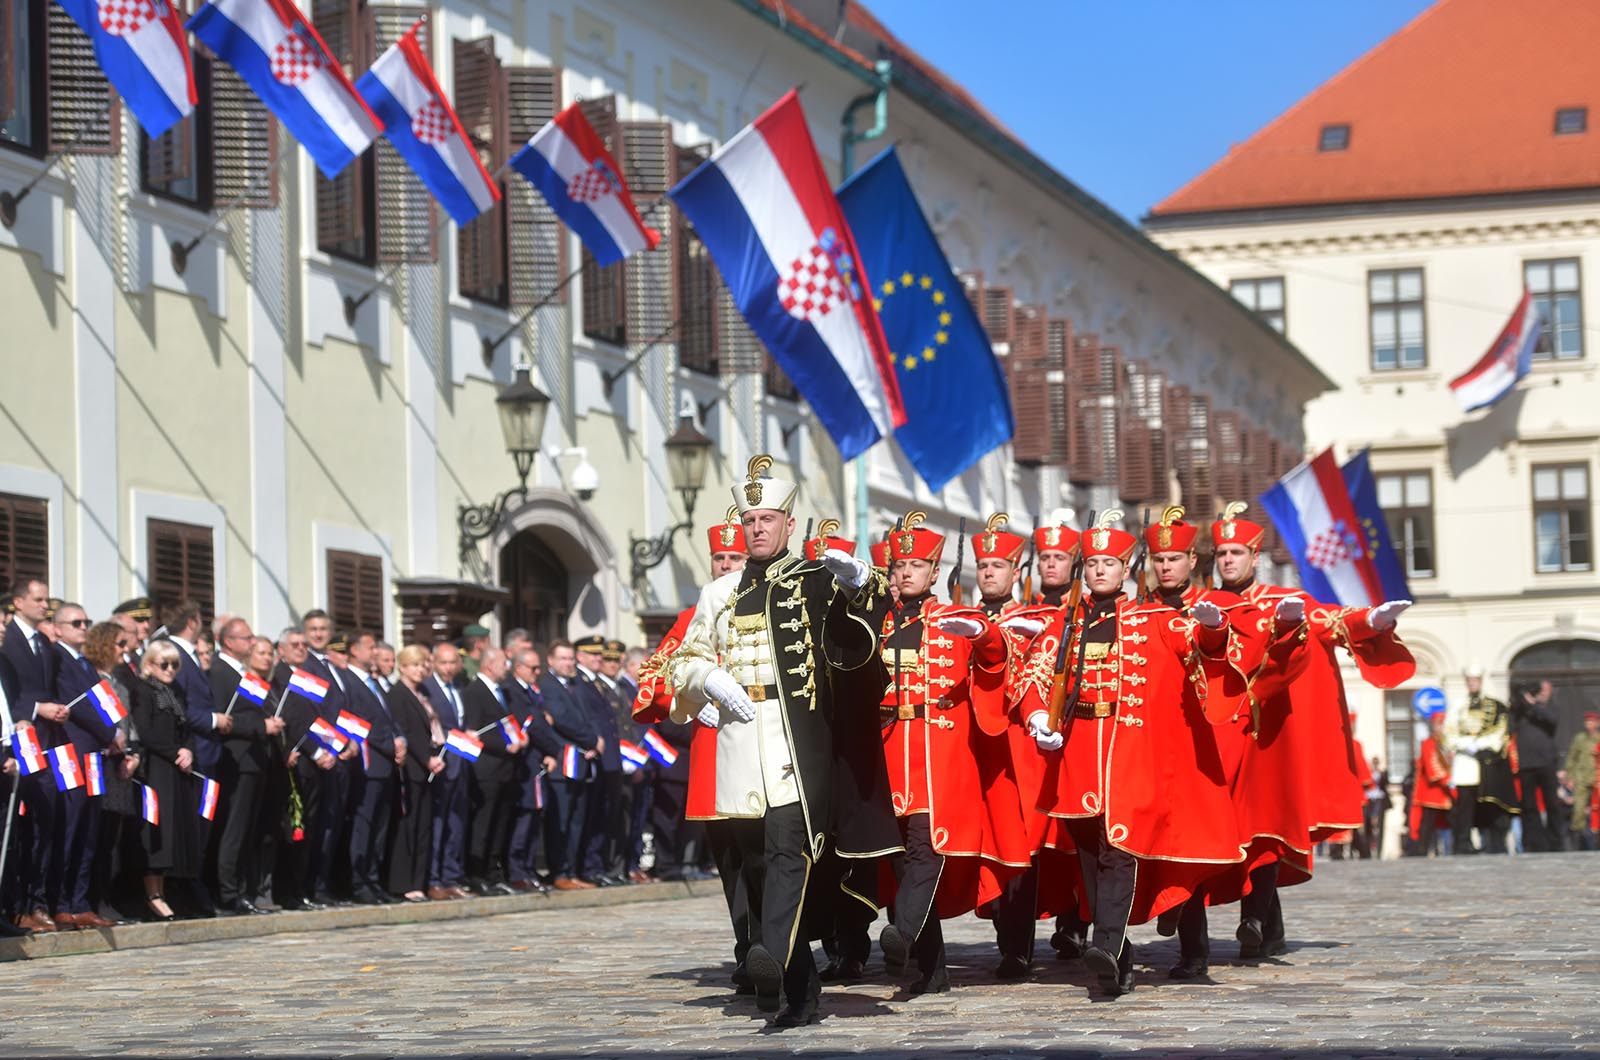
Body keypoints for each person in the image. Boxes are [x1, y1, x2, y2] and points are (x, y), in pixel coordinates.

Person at [668, 455, 886, 1026]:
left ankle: (769, 952)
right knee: (758, 865)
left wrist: (860, 584)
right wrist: (707, 679)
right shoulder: (718, 593)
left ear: (789, 524)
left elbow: (863, 630)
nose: (757, 528)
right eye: (749, 520)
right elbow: (681, 661)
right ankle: (799, 990)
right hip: (739, 744)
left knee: (791, 853)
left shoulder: (813, 581)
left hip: (794, 744)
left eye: (767, 519)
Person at [1021, 510, 1245, 997]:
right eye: (1092, 563)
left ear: (1126, 569)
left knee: (1117, 849)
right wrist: (1037, 716)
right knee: (1089, 857)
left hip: (1131, 756)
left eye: (1109, 563)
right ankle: (1116, 958)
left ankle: (1106, 945)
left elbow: (1197, 649)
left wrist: (1213, 630)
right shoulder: (1064, 621)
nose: (1100, 570)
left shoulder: (1156, 619)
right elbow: (1034, 675)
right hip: (1078, 754)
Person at [1208, 502, 1413, 960]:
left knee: (1264, 828)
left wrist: (1370, 621)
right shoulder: (1206, 606)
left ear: (1254, 556)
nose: (1228, 560)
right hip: (1220, 731)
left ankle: (1253, 918)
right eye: (1221, 553)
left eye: (1236, 552)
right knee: (1229, 831)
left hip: (1269, 738)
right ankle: (1267, 927)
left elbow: (1328, 621)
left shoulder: (1284, 600)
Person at [870, 512, 1028, 995]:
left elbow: (999, 655)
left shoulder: (956, 619)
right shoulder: (879, 622)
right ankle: (931, 968)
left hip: (940, 756)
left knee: (928, 848)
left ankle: (902, 932)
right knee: (900, 859)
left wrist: (982, 636)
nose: (906, 573)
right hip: (889, 752)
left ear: (934, 571)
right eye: (899, 566)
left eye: (916, 565)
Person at [632, 509, 750, 980]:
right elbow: (653, 675)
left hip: (764, 750)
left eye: (735, 557)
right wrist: (689, 698)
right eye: (720, 558)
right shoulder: (690, 617)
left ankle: (777, 944)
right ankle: (748, 949)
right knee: (730, 860)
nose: (726, 565)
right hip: (712, 755)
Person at [48, 602, 118, 929]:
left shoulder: (86, 663)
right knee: (70, 825)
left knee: (89, 828)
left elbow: (101, 702)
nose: (84, 628)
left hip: (94, 755)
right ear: (58, 628)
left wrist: (115, 731)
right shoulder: (57, 658)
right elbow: (79, 708)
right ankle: (60, 902)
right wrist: (109, 733)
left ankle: (80, 901)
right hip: (72, 750)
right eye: (76, 623)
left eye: (86, 622)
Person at [5, 576, 68, 933]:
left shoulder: (44, 643)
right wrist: (36, 708)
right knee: (15, 827)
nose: (45, 606)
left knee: (45, 820)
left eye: (47, 600)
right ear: (18, 602)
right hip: (17, 739)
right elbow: (8, 692)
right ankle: (15, 905)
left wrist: (55, 708)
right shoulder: (7, 638)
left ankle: (37, 901)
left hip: (44, 742)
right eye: (39, 599)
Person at [211, 617, 285, 915]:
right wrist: (260, 726)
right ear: (229, 642)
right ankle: (228, 893)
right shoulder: (219, 671)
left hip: (255, 759)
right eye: (247, 638)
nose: (252, 643)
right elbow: (224, 718)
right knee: (233, 829)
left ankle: (242, 890)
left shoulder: (243, 674)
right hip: (237, 758)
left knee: (246, 831)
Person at [129, 640, 203, 921]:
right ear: (149, 665)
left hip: (176, 767)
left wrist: (188, 750)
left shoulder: (174, 692)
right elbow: (146, 732)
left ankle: (164, 891)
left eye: (175, 664)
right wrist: (174, 753)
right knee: (156, 830)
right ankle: (152, 895)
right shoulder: (144, 690)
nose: (170, 669)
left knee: (172, 831)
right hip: (156, 767)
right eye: (164, 664)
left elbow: (185, 728)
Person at [82, 621, 142, 923]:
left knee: (111, 841)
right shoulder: (89, 679)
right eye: (119, 644)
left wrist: (134, 755)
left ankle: (106, 898)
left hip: (120, 769)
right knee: (93, 837)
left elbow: (129, 726)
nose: (125, 650)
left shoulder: (119, 684)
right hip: (99, 766)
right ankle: (90, 899)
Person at [343, 631, 403, 905]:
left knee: (379, 827)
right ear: (354, 650)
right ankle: (359, 882)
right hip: (369, 764)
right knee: (364, 825)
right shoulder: (349, 682)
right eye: (370, 647)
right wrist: (388, 744)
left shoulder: (375, 683)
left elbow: (388, 718)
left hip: (386, 764)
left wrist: (400, 739)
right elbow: (360, 723)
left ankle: (374, 878)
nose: (375, 652)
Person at [462, 647, 525, 894]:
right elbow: (474, 731)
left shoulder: (502, 691)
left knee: (500, 823)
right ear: (488, 664)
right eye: (503, 663)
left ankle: (493, 870)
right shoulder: (474, 691)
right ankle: (476, 872)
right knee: (483, 823)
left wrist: (518, 738)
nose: (507, 667)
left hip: (506, 769)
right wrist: (504, 745)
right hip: (486, 768)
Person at [540, 639, 600, 891]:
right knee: (561, 820)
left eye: (570, 658)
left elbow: (590, 716)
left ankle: (573, 870)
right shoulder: (547, 685)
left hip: (582, 761)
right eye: (562, 658)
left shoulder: (577, 685)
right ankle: (560, 870)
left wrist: (595, 740)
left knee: (577, 819)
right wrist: (591, 739)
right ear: (550, 660)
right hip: (563, 761)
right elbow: (561, 719)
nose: (568, 663)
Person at [386, 645, 443, 902]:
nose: (420, 670)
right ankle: (404, 882)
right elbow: (406, 731)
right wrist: (426, 758)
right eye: (414, 665)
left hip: (426, 769)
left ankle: (419, 881)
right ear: (403, 667)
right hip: (410, 767)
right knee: (408, 825)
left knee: (423, 826)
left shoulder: (422, 694)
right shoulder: (398, 695)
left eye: (422, 665)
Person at [1443, 664, 1517, 854]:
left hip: (1487, 761)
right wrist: (1464, 744)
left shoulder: (1494, 705)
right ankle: (1463, 843)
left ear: (1480, 681)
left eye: (1475, 680)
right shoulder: (1458, 705)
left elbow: (1500, 731)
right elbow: (1448, 731)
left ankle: (1493, 842)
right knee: (1464, 805)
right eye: (1469, 680)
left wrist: (1482, 744)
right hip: (1465, 760)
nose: (1472, 683)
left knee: (1489, 803)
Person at [505, 647, 560, 893]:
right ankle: (517, 870)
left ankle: (528, 867)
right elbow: (533, 725)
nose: (537, 672)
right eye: (533, 668)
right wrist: (553, 748)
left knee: (534, 819)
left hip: (537, 761)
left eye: (539, 668)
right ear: (518, 667)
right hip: (525, 765)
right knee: (524, 819)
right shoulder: (514, 691)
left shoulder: (530, 691)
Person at [421, 643, 471, 901]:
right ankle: (434, 878)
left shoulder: (458, 688)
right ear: (434, 663)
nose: (449, 668)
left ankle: (451, 876)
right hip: (441, 764)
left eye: (453, 663)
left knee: (456, 822)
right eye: (443, 663)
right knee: (438, 823)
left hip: (460, 763)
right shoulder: (427, 689)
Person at [574, 634, 623, 887]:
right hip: (597, 757)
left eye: (599, 654)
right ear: (580, 656)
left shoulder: (594, 683)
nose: (599, 658)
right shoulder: (580, 682)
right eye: (593, 654)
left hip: (609, 759)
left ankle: (597, 865)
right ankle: (590, 866)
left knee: (603, 816)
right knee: (592, 817)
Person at [1513, 678, 1563, 852]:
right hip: (1526, 764)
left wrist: (1533, 704)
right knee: (1529, 805)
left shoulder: (1551, 708)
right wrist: (1522, 700)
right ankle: (1533, 842)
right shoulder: (1522, 711)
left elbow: (1552, 720)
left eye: (1545, 690)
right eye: (1539, 690)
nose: (1541, 693)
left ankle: (1555, 842)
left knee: (1552, 804)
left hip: (1546, 762)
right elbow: (1512, 720)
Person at [1409, 712, 1454, 856]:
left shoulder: (1447, 744)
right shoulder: (1428, 744)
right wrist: (1448, 779)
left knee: (1451, 823)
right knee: (1427, 825)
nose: (1441, 727)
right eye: (1438, 724)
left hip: (1446, 793)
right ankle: (1421, 851)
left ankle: (1451, 849)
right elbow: (1432, 769)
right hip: (1432, 793)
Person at [1564, 711, 1599, 850]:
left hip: (1597, 779)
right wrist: (1569, 776)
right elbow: (1572, 757)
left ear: (1597, 723)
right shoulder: (1580, 738)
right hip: (1581, 778)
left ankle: (1596, 843)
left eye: (1592, 722)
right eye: (1587, 722)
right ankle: (1577, 844)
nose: (1589, 724)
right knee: (1578, 810)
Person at [1365, 755, 1392, 859]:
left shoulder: (1382, 773)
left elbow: (1386, 785)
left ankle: (1378, 851)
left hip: (1379, 799)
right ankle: (1369, 849)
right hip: (1369, 799)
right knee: (1368, 825)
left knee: (1378, 826)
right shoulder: (1368, 773)